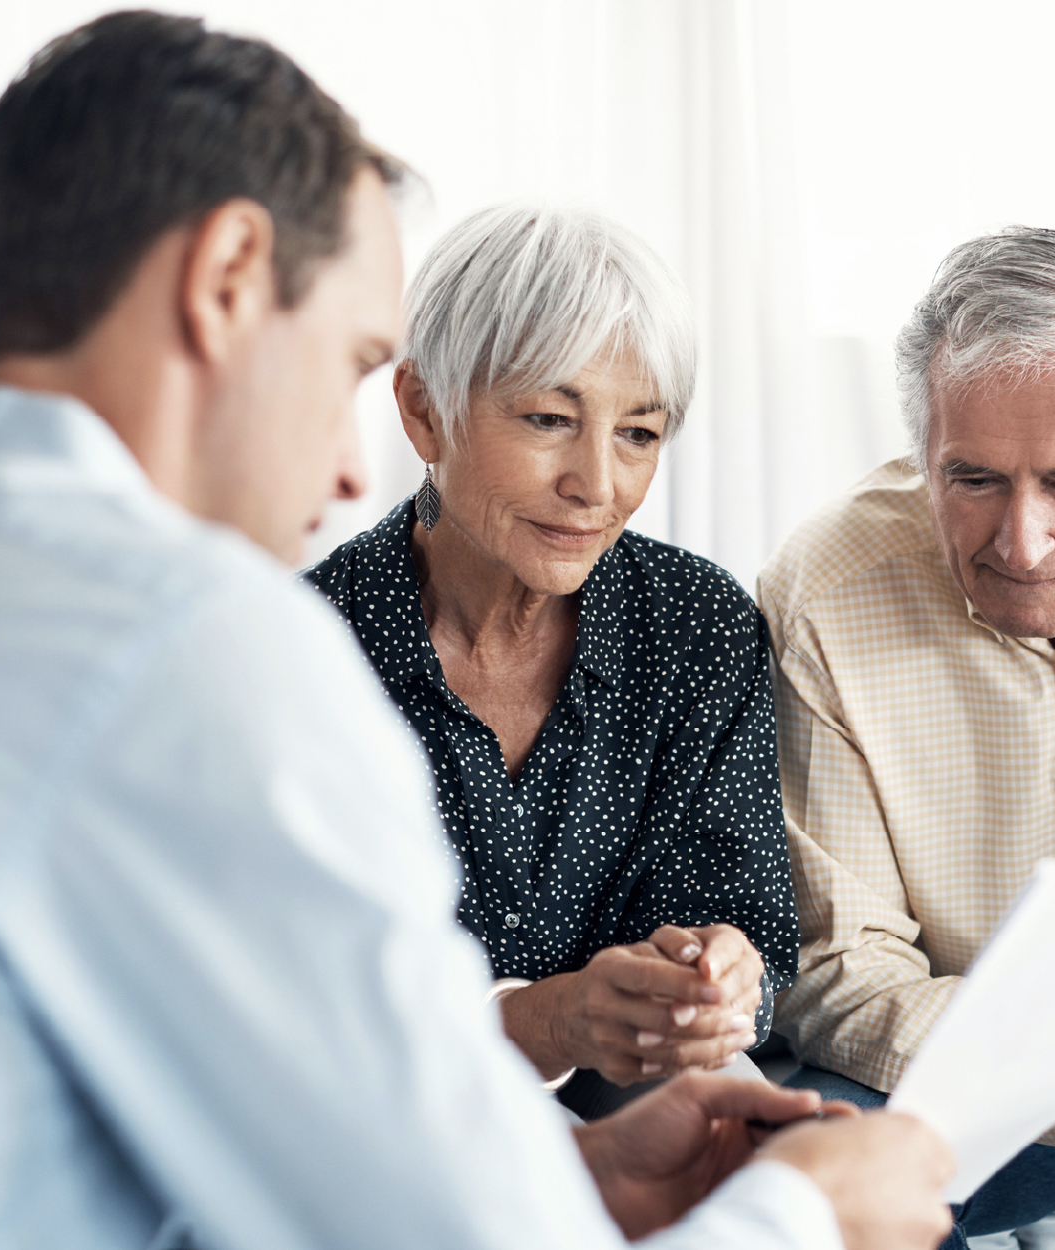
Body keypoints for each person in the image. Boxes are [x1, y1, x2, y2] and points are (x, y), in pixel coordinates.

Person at [0, 10, 955, 1250]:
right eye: (350, 362)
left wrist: (575, 1169)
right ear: (226, 279)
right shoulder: (199, 646)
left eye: (638, 430)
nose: (343, 465)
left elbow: (255, 1126)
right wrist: (810, 1209)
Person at [303, 204, 796, 1117]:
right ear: (423, 411)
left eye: (638, 433)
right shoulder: (305, 650)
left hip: (643, 1103)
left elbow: (747, 925)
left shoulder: (698, 626)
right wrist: (547, 1022)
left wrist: (722, 976)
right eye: (548, 418)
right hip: (378, 1124)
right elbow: (299, 1008)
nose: (596, 485)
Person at [758, 227, 1055, 1248]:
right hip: (968, 1116)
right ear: (923, 456)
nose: (1020, 543)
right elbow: (842, 971)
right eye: (974, 479)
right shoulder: (825, 595)